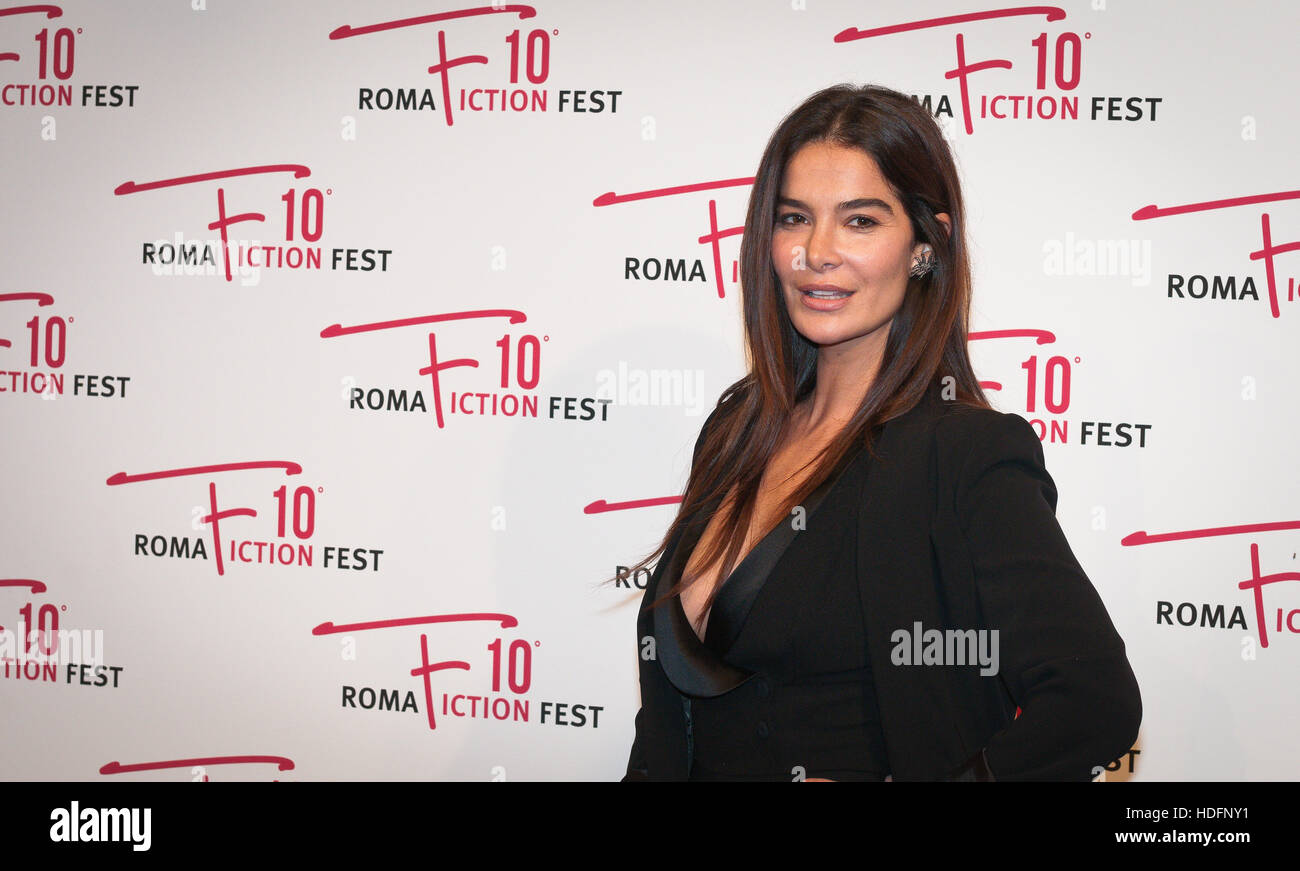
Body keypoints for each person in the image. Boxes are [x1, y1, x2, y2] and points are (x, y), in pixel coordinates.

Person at [620, 84, 1141, 781]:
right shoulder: (736, 425)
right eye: (793, 218)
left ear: (927, 245)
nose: (816, 251)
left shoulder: (962, 455)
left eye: (860, 221)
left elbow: (1094, 700)